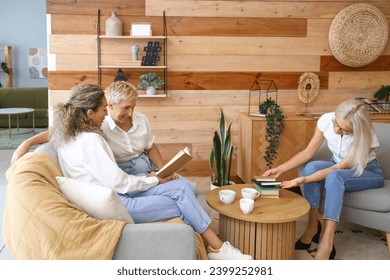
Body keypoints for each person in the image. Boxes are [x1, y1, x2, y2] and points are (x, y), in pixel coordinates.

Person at [48, 83, 253, 260]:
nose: (104, 115)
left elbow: (121, 177)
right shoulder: (90, 140)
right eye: (103, 110)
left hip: (117, 192)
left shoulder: (68, 135)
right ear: (89, 113)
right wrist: (154, 180)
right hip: (118, 200)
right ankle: (218, 248)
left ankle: (215, 248)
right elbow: (121, 184)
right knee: (184, 199)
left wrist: (157, 175)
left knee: (182, 188)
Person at [11, 81, 196, 193]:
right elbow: (58, 131)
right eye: (126, 108)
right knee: (180, 189)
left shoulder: (141, 120)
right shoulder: (98, 125)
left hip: (145, 164)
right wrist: (27, 143)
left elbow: (150, 147)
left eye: (133, 106)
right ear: (110, 106)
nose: (131, 113)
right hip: (124, 171)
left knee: (187, 185)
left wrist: (163, 169)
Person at [262, 99, 384, 260]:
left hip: (367, 171)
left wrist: (301, 180)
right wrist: (280, 168)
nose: (336, 130)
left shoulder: (364, 133)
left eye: (344, 130)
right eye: (336, 124)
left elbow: (337, 169)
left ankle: (327, 241)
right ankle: (312, 227)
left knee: (334, 176)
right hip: (337, 165)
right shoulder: (326, 119)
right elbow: (307, 153)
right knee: (311, 166)